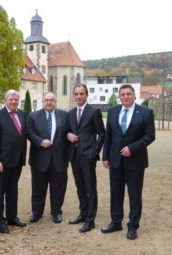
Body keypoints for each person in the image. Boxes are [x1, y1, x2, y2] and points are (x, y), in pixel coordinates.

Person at [101, 84, 155, 240]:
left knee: (134, 195)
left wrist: (132, 148)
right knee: (115, 193)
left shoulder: (145, 113)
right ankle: (116, 222)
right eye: (123, 94)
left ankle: (133, 226)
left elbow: (149, 136)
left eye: (128, 94)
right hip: (115, 161)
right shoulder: (112, 112)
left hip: (135, 162)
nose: (125, 97)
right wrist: (105, 157)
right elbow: (108, 137)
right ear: (119, 96)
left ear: (134, 96)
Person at [67, 84, 105, 233]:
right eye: (76, 94)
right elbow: (67, 131)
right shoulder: (70, 114)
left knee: (90, 188)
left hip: (88, 156)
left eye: (81, 94)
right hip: (74, 156)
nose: (79, 97)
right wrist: (67, 135)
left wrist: (94, 152)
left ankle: (90, 220)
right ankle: (83, 214)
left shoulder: (94, 112)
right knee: (80, 188)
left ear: (86, 95)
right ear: (73, 96)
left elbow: (102, 134)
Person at [27, 92, 69, 224]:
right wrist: (40, 141)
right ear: (42, 101)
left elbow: (68, 131)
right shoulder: (33, 116)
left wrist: (69, 135)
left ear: (55, 101)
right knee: (38, 188)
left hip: (59, 158)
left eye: (51, 100)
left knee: (58, 188)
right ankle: (37, 213)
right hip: (39, 158)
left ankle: (56, 212)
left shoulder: (64, 115)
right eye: (46, 100)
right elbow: (29, 132)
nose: (49, 102)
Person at [0, 89, 27, 233]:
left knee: (13, 190)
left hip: (17, 160)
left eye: (16, 99)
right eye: (11, 99)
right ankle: (0, 220)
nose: (13, 102)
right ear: (6, 100)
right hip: (3, 162)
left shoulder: (22, 114)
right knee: (0, 191)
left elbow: (23, 135)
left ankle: (12, 217)